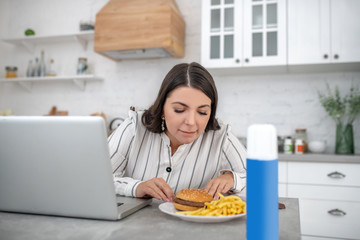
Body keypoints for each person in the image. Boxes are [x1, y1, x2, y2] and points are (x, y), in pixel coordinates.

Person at [108, 62, 246, 202]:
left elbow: (260, 179)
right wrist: (137, 187)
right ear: (162, 108)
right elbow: (95, 177)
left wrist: (232, 179)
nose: (191, 122)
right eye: (179, 110)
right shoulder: (134, 127)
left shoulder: (221, 137)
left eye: (202, 112)